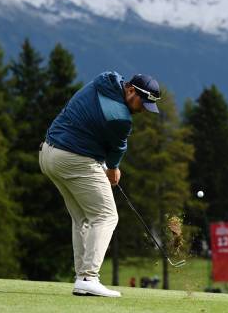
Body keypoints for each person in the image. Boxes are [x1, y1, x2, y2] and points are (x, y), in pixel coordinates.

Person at [38, 71, 161, 297]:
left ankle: (82, 278)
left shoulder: (103, 80)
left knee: (83, 217)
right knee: (106, 216)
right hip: (72, 158)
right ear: (131, 90)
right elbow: (117, 149)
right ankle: (88, 277)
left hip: (48, 153)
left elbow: (93, 126)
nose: (142, 109)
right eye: (141, 103)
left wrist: (105, 164)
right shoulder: (122, 119)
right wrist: (112, 168)